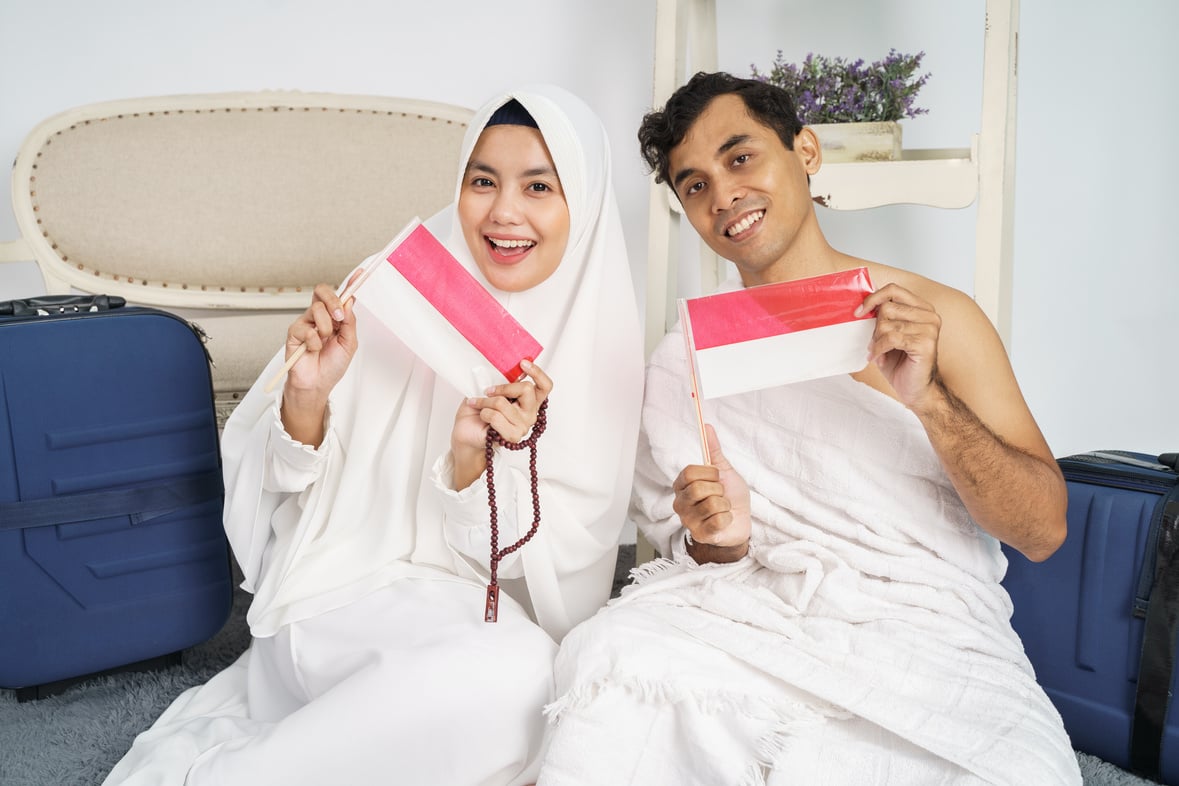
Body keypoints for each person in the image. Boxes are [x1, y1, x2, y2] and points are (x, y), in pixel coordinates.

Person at [537, 72, 1082, 785]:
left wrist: (930, 403)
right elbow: (703, 566)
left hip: (923, 626)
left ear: (806, 151)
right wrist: (720, 541)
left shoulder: (935, 317)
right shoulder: (685, 361)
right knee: (610, 654)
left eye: (740, 158)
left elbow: (1041, 531)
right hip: (757, 620)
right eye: (693, 185)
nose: (723, 195)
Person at [101, 85, 643, 786]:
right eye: (482, 181)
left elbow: (561, 561)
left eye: (538, 186)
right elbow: (283, 493)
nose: (503, 212)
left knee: (549, 698)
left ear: (587, 203)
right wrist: (305, 398)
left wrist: (472, 461)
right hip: (340, 587)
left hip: (469, 618)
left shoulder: (605, 347)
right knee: (516, 682)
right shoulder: (396, 292)